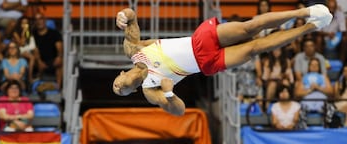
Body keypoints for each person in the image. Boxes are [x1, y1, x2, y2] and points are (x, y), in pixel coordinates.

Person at [113, 5, 333, 116]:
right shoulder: (150, 89)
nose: (117, 87)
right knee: (255, 48)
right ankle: (311, 27)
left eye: (114, 84)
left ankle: (305, 11)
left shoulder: (133, 49)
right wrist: (170, 94)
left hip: (199, 41)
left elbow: (132, 16)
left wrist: (123, 15)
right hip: (206, 63)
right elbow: (178, 111)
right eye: (119, 92)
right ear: (130, 92)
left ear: (121, 74)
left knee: (250, 27)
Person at [33, 12, 63, 89]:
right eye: (36, 19)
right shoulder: (33, 34)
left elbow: (59, 46)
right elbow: (33, 49)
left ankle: (58, 87)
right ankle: (37, 82)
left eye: (41, 19)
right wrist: (39, 61)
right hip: (39, 61)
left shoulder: (54, 33)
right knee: (34, 53)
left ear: (45, 20)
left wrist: (59, 56)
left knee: (60, 62)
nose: (39, 21)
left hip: (52, 60)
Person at [13, 16, 36, 83]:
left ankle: (39, 73)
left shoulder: (28, 32)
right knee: (32, 57)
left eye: (26, 23)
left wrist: (26, 32)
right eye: (23, 23)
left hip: (26, 49)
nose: (25, 25)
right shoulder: (16, 33)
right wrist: (23, 32)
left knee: (36, 54)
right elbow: (21, 43)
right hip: (18, 50)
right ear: (20, 24)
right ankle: (30, 77)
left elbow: (28, 42)